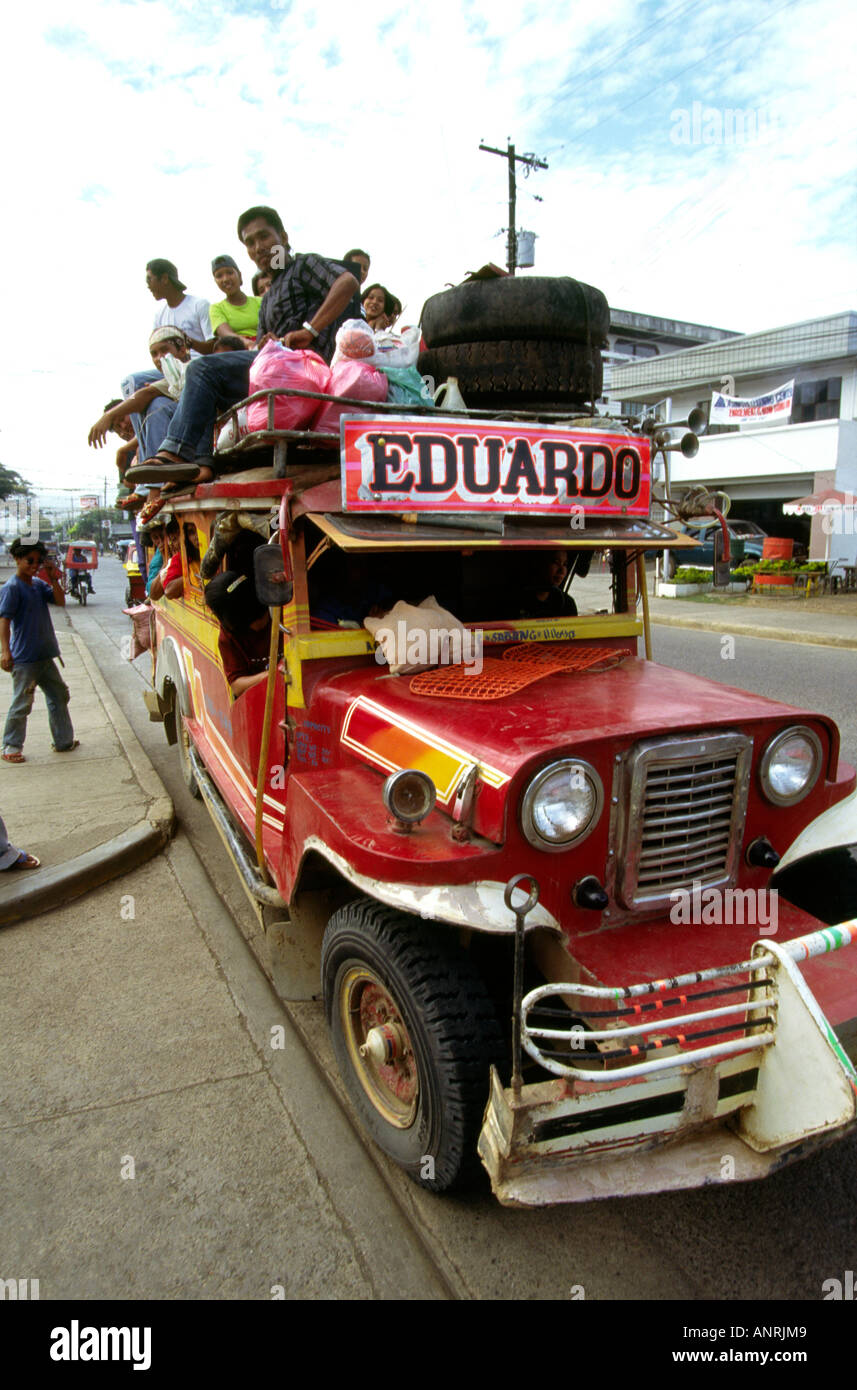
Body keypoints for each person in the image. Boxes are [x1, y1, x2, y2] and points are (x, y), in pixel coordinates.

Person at [124, 205, 359, 490]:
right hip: (276, 373)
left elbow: (347, 281)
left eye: (264, 237)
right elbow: (262, 353)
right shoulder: (269, 295)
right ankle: (201, 464)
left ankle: (174, 451)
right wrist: (265, 345)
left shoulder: (303, 265)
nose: (258, 247)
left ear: (283, 237)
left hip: (307, 369)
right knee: (202, 382)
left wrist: (310, 329)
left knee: (201, 368)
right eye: (250, 242)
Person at [0, 539, 77, 763]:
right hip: (25, 658)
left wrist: (53, 578)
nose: (34, 565)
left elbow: (60, 601)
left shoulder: (37, 584)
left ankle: (63, 740)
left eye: (38, 561)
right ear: (17, 559)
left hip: (45, 655)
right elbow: (4, 620)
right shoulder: (12, 588)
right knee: (22, 702)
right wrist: (5, 652)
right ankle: (11, 746)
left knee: (59, 695)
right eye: (29, 560)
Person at [204, 569, 274, 696]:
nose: (261, 624)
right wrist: (270, 676)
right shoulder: (228, 636)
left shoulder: (282, 611)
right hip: (259, 697)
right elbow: (236, 685)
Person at [146, 259, 213, 354]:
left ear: (164, 278)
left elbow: (213, 347)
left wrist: (185, 340)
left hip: (200, 365)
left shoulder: (200, 305)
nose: (148, 286)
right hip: (172, 367)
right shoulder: (159, 316)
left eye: (149, 280)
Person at [209, 255, 261, 345]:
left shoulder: (261, 301)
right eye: (219, 276)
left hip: (265, 347)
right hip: (236, 352)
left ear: (240, 275)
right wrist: (248, 343)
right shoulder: (216, 308)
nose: (225, 279)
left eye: (230, 273)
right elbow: (225, 334)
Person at [516, 550, 578, 619]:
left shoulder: (567, 604)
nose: (562, 570)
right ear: (539, 564)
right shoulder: (515, 601)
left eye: (565, 564)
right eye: (556, 563)